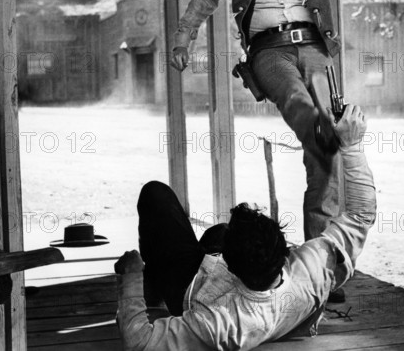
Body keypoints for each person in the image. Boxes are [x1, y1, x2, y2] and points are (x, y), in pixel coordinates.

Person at [169, 0, 404, 247]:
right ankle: (320, 129)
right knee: (295, 98)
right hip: (268, 50)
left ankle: (321, 254)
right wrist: (184, 37)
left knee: (328, 156)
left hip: (313, 47)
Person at [115, 97, 375, 350]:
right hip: (253, 294)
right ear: (284, 251)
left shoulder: (218, 323)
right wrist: (351, 145)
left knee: (155, 194)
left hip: (189, 289)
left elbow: (139, 341)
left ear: (229, 266)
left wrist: (132, 276)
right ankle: (212, 244)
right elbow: (361, 215)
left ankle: (154, 285)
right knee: (219, 232)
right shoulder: (311, 272)